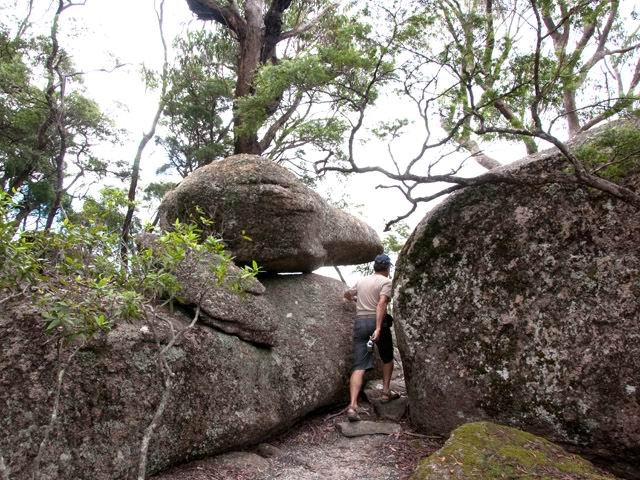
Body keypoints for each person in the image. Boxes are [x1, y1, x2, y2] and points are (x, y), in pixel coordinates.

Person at [343, 253, 399, 421]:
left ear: (375, 267)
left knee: (359, 366)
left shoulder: (362, 281)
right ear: (387, 268)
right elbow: (382, 303)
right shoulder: (386, 282)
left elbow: (346, 294)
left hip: (360, 323)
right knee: (387, 358)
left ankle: (352, 406)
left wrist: (356, 299)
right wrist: (378, 328)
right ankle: (385, 392)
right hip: (377, 323)